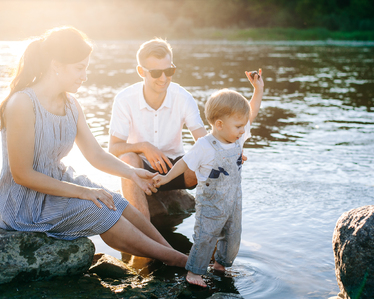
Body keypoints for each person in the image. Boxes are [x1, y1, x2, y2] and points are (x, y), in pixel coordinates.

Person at [0, 26, 188, 269]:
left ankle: (170, 253)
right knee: (101, 212)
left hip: (58, 182)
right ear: (56, 64)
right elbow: (22, 174)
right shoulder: (22, 104)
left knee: (118, 203)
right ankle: (177, 260)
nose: (85, 76)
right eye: (80, 68)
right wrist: (82, 192)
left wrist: (131, 173)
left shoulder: (71, 104)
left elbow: (95, 153)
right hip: (26, 202)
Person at [153, 69, 264, 287]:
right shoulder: (205, 145)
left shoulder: (237, 140)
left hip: (233, 202)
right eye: (239, 126)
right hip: (211, 204)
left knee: (233, 237)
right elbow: (184, 163)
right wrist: (166, 179)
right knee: (205, 237)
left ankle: (220, 264)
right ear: (219, 124)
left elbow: (251, 113)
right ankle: (194, 272)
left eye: (243, 126)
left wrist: (258, 90)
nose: (243, 130)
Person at [108, 38, 207, 221]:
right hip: (141, 171)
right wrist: (144, 146)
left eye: (169, 71)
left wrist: (227, 150)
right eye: (155, 73)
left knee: (207, 158)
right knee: (127, 158)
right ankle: (144, 237)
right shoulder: (124, 99)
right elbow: (113, 149)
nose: (163, 79)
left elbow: (203, 140)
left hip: (176, 170)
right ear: (141, 72)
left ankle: (211, 233)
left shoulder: (183, 97)